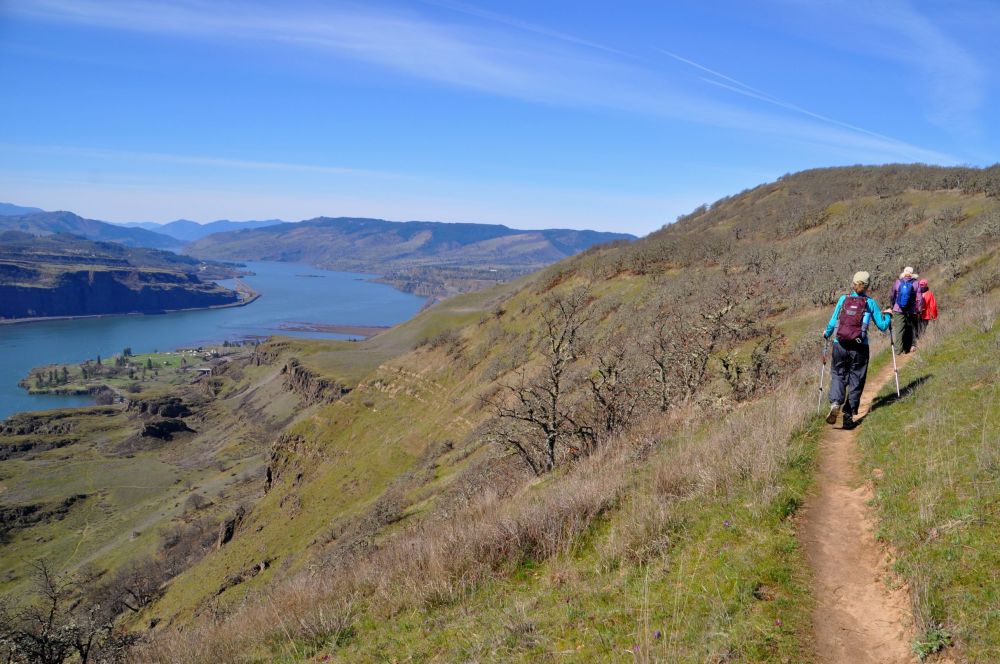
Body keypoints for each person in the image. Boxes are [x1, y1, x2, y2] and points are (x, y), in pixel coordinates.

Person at [822, 271, 891, 429]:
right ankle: (848, 415)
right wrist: (888, 316)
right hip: (860, 347)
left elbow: (833, 321)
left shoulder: (843, 299)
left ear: (853, 283)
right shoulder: (870, 303)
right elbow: (882, 326)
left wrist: (826, 333)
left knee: (838, 375)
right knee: (856, 380)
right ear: (867, 286)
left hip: (840, 344)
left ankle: (835, 403)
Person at [888, 266, 920, 354]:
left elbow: (892, 295)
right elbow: (919, 298)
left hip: (898, 309)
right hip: (911, 310)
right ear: (912, 274)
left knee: (899, 329)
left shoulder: (898, 282)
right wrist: (918, 309)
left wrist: (893, 305)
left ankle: (898, 350)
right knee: (910, 328)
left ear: (903, 273)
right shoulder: (916, 283)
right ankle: (909, 347)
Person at [915, 278, 938, 342]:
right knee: (922, 330)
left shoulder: (916, 293)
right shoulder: (929, 294)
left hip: (916, 314)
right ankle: (920, 342)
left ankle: (914, 343)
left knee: (916, 329)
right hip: (926, 315)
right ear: (926, 285)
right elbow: (933, 306)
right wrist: (934, 316)